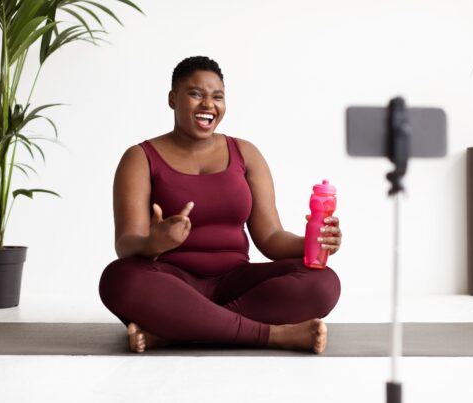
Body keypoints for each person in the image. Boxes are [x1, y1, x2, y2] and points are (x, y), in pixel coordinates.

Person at [99, 56, 342, 354]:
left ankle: (177, 332)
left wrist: (313, 243)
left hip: (236, 282)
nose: (208, 105)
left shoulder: (246, 153)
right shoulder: (139, 157)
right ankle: (274, 335)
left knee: (323, 283)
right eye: (195, 94)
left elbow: (271, 238)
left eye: (217, 97)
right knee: (119, 279)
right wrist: (155, 242)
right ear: (172, 99)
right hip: (171, 284)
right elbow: (125, 245)